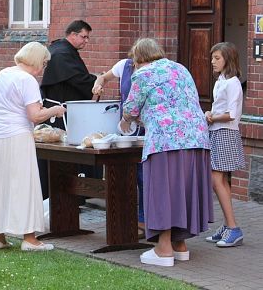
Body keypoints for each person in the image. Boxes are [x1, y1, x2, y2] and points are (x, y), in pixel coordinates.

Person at [123, 38, 213, 267]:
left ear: (139, 58)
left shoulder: (143, 73)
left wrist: (126, 121)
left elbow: (131, 108)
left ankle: (163, 250)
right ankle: (180, 246)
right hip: (197, 137)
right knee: (183, 191)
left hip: (166, 139)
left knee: (162, 191)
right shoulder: (180, 68)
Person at [0, 42, 66, 252]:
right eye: (44, 63)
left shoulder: (4, 73)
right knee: (23, 183)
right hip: (16, 134)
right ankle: (30, 238)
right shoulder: (27, 80)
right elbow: (35, 116)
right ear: (37, 61)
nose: (44, 68)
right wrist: (54, 110)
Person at [40, 20, 98, 198]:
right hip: (58, 113)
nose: (86, 41)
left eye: (88, 38)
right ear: (72, 34)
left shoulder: (63, 50)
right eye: (83, 37)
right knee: (61, 154)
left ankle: (65, 195)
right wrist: (97, 81)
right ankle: (59, 196)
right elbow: (78, 79)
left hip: (63, 109)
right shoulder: (62, 54)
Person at [92, 53, 146, 239]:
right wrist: (98, 84)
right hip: (126, 127)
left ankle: (142, 221)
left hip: (146, 129)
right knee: (125, 172)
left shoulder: (151, 69)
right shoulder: (124, 65)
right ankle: (126, 220)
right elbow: (104, 77)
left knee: (142, 176)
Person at [204, 42, 245, 247]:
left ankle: (233, 227)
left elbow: (232, 115)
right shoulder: (221, 80)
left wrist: (212, 117)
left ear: (227, 59)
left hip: (226, 133)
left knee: (216, 179)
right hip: (216, 132)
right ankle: (228, 226)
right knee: (220, 181)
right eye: (212, 58)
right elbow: (219, 108)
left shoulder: (233, 83)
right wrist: (210, 114)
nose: (212, 61)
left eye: (217, 58)